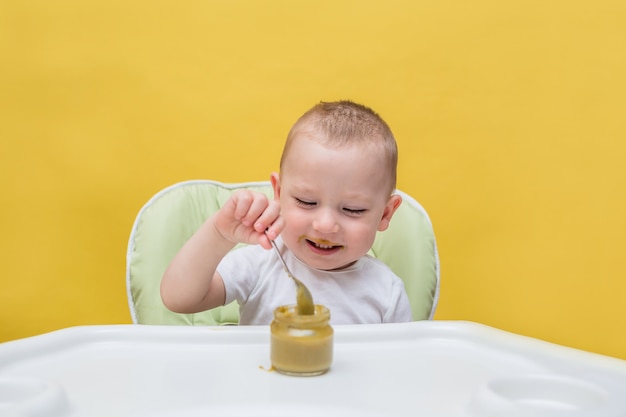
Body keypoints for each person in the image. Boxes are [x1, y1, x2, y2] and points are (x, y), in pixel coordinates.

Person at [160, 100, 411, 324]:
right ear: (278, 193)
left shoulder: (387, 292)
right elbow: (179, 299)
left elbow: (399, 366)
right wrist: (219, 234)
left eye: (352, 210)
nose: (325, 225)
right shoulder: (261, 263)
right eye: (306, 202)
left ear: (385, 214)